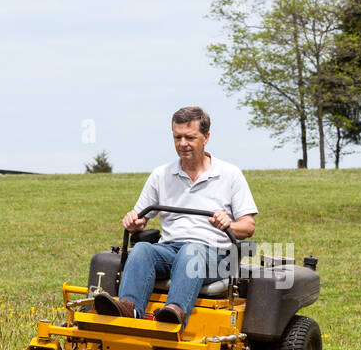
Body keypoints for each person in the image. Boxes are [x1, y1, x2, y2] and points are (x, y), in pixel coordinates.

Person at [91, 106, 258, 326]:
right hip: (170, 250)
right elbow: (140, 219)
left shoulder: (230, 175)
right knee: (141, 249)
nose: (182, 144)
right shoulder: (161, 174)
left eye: (190, 137)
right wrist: (134, 222)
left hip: (214, 254)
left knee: (191, 251)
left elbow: (248, 226)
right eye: (177, 137)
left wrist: (229, 224)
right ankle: (128, 309)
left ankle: (174, 312)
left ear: (206, 137)